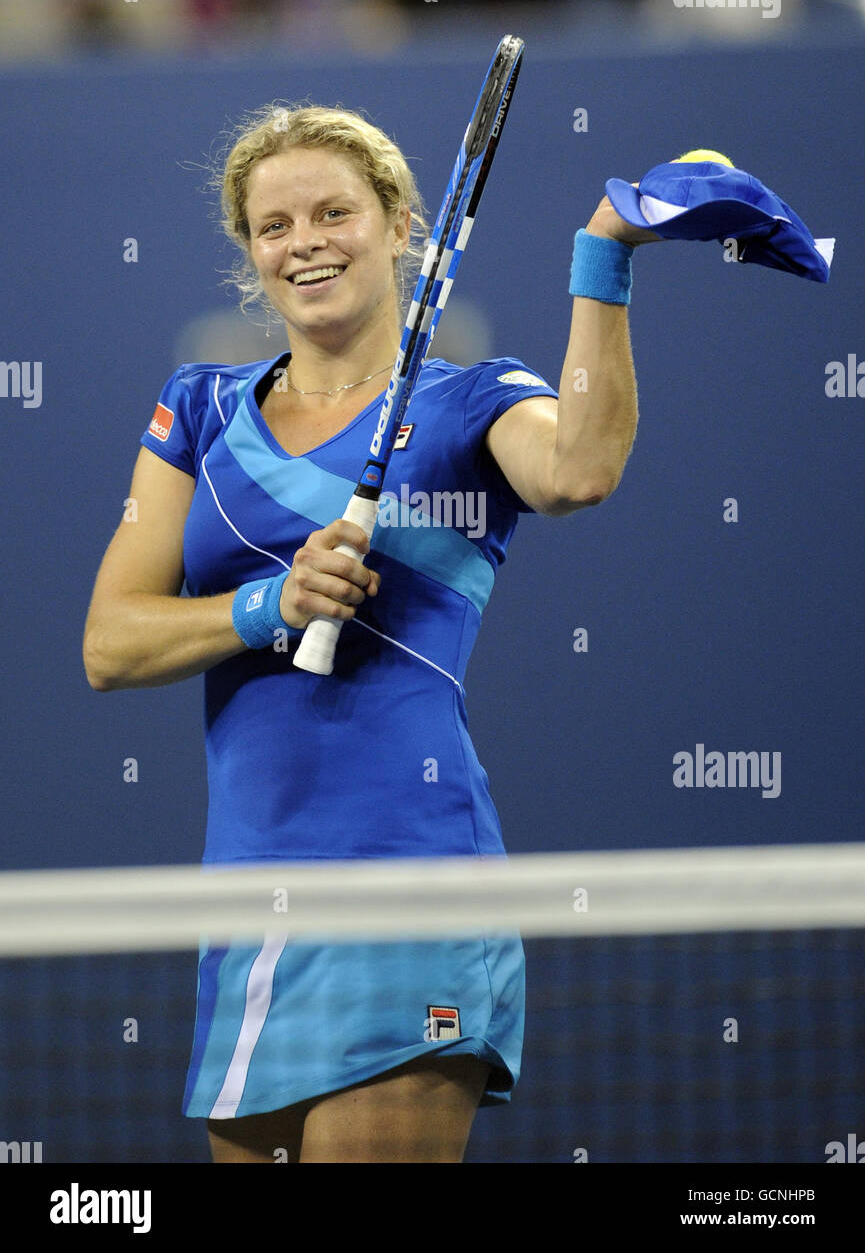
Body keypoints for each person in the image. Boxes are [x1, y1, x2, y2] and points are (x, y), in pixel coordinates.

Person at [82, 101, 645, 1163]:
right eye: (274, 225)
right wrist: (270, 606)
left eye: (335, 212)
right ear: (249, 254)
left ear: (400, 226)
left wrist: (603, 253)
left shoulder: (476, 401)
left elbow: (579, 469)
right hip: (249, 902)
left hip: (407, 886)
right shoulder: (198, 409)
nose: (305, 243)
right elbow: (109, 644)